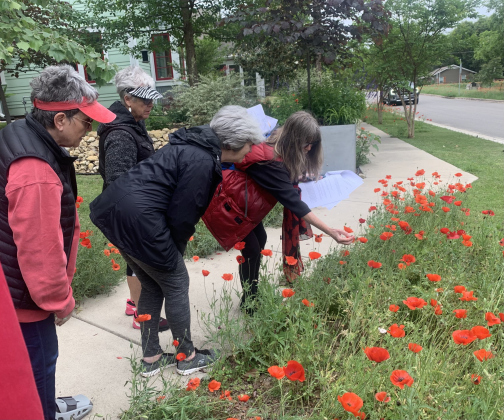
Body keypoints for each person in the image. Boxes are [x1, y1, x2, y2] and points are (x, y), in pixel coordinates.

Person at [90, 105, 263, 377]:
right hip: (139, 219)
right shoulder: (202, 159)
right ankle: (187, 356)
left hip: (114, 214)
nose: (250, 151)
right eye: (249, 145)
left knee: (151, 283)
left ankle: (151, 357)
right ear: (235, 141)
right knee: (176, 281)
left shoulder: (191, 145)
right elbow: (182, 215)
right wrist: (174, 254)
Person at [0, 65, 115, 420]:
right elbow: (39, 249)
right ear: (61, 119)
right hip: (24, 302)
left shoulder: (17, 131)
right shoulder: (36, 172)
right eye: (87, 122)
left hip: (11, 289)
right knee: (36, 370)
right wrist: (58, 301)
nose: (90, 131)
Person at [203, 111, 354, 311]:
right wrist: (331, 231)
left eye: (312, 144)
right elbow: (293, 201)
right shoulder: (270, 163)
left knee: (259, 241)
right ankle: (249, 301)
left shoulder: (277, 140)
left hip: (244, 204)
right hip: (231, 205)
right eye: (305, 144)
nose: (309, 148)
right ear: (293, 139)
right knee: (251, 249)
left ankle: (252, 292)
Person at [97, 66, 169, 331]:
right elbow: (119, 183)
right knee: (142, 261)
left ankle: (134, 304)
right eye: (145, 99)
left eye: (152, 98)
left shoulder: (133, 123)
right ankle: (143, 315)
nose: (151, 104)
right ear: (128, 99)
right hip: (129, 212)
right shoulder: (120, 133)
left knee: (134, 261)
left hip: (135, 209)